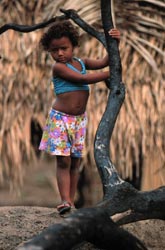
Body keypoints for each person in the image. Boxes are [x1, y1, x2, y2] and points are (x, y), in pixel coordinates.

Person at [39, 20, 120, 215]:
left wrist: (115, 43)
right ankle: (64, 199)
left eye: (64, 48)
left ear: (74, 46)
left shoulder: (82, 62)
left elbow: (103, 61)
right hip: (61, 120)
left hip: (78, 121)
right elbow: (83, 79)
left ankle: (71, 203)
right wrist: (110, 74)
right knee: (63, 162)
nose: (59, 54)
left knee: (75, 162)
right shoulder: (58, 68)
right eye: (54, 50)